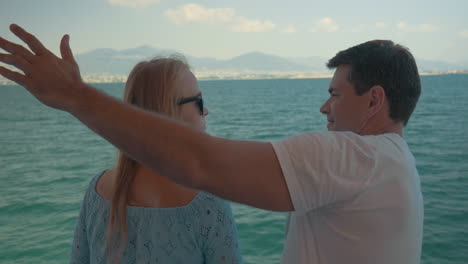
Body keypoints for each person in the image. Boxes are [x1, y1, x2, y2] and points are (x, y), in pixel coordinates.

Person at [0, 24, 423, 264]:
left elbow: (197, 162)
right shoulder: (391, 164)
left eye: (335, 94)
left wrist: (76, 96)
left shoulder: (354, 159)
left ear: (373, 100)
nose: (323, 107)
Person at [67, 56, 242, 263]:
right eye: (198, 101)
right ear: (168, 112)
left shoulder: (97, 191)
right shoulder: (207, 204)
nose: (205, 110)